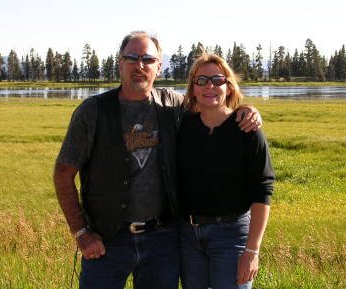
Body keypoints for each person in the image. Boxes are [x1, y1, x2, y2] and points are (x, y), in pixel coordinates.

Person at [53, 31, 262, 289]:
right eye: (131, 58)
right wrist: (82, 233)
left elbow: (212, 104)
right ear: (120, 63)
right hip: (107, 239)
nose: (139, 66)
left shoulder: (172, 104)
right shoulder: (93, 111)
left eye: (148, 60)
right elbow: (63, 173)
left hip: (162, 240)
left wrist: (245, 111)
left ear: (159, 67)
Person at [178, 53, 275, 289]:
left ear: (229, 87)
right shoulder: (183, 127)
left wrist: (252, 251)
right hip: (188, 237)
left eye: (217, 80)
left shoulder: (247, 130)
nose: (209, 86)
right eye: (201, 81)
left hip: (232, 236)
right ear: (192, 88)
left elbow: (263, 191)